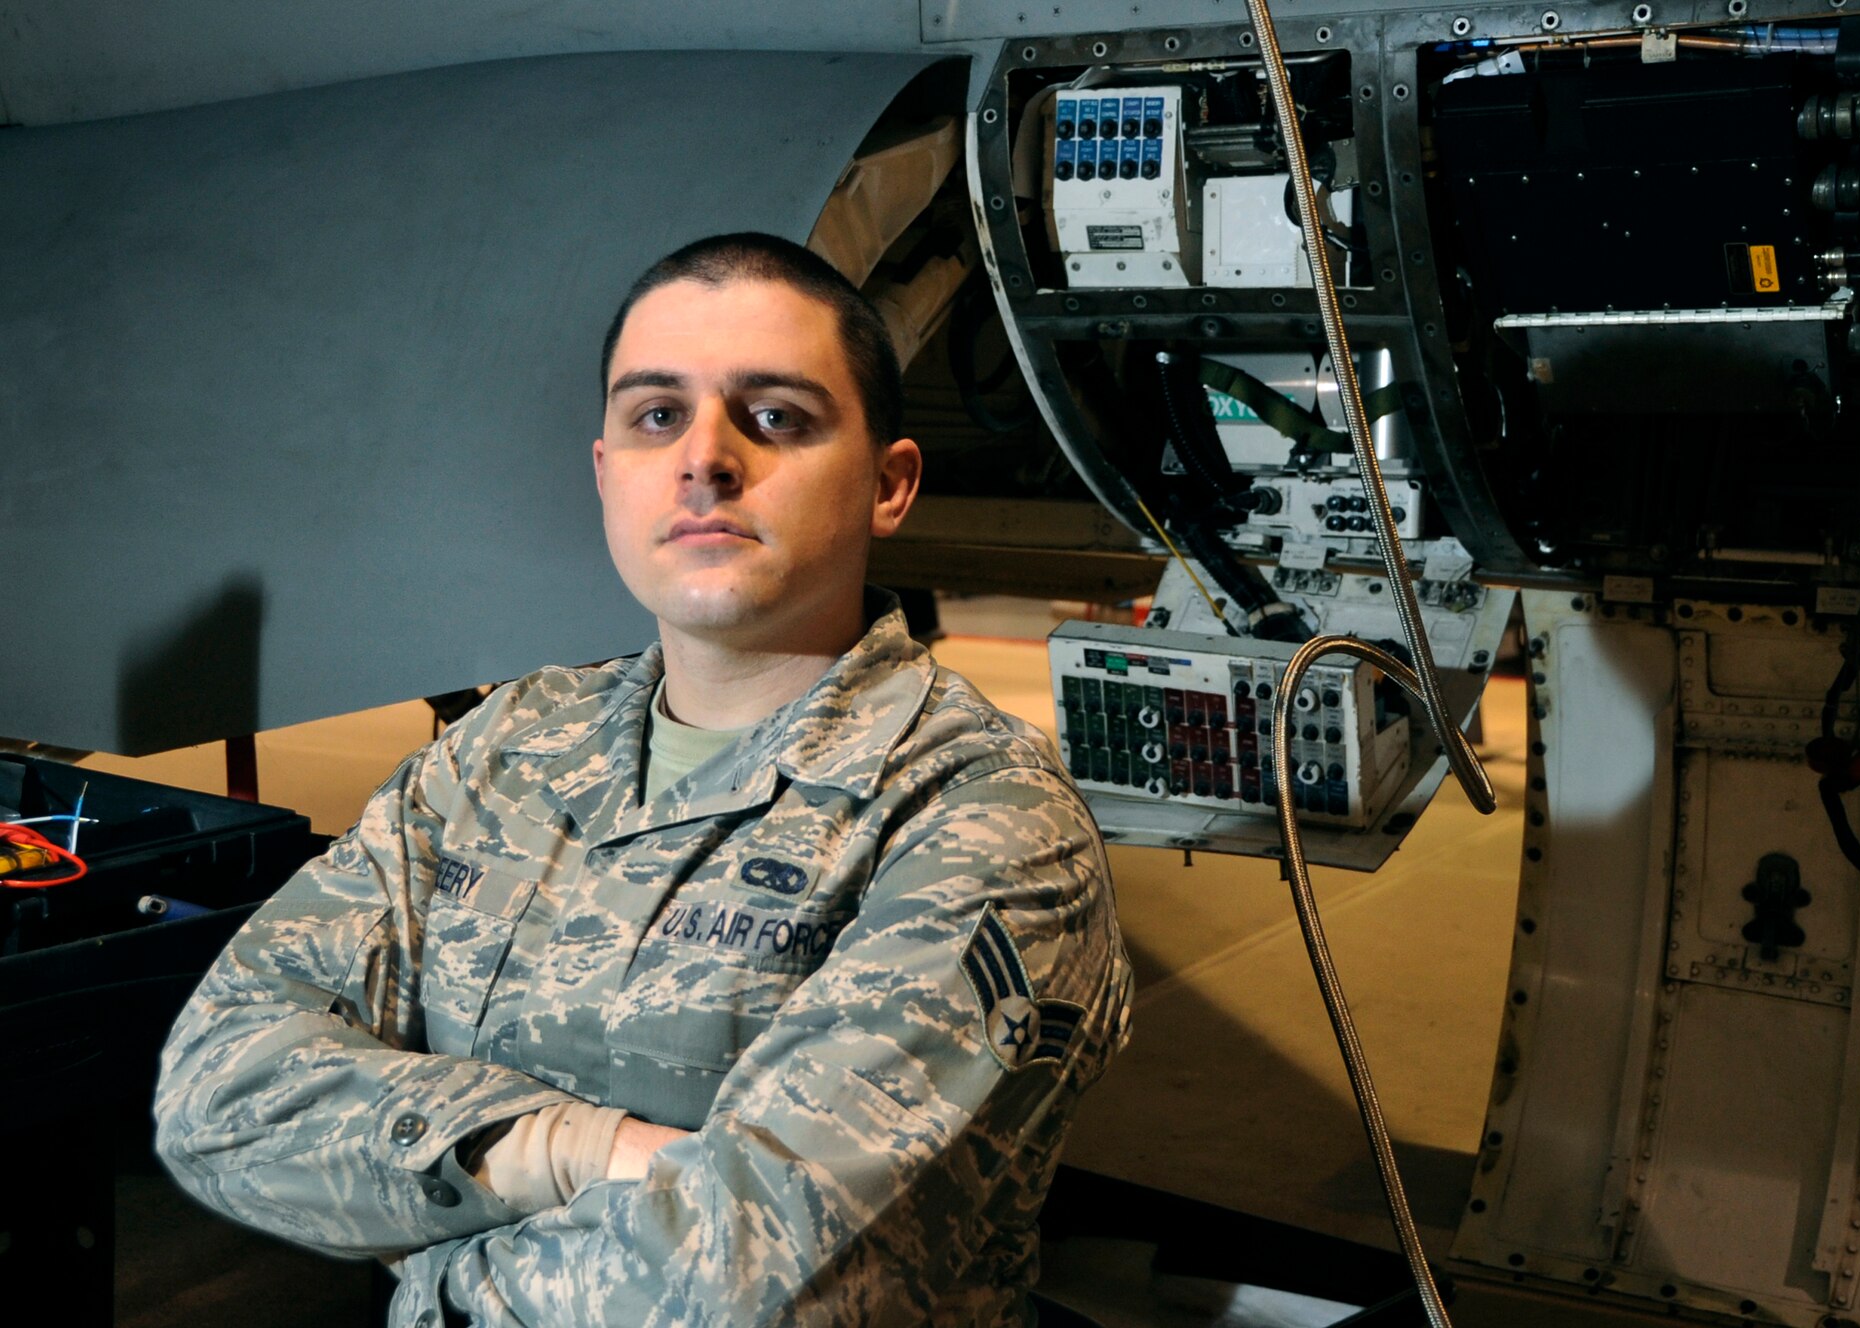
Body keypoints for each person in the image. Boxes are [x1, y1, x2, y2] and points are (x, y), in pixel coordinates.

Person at [154, 232, 1134, 1327]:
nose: (704, 458)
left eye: (776, 416)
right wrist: (578, 1151)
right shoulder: (508, 748)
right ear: (605, 470)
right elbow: (216, 1086)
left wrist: (427, 1280)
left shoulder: (981, 819)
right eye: (656, 415)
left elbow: (750, 1279)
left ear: (888, 484)